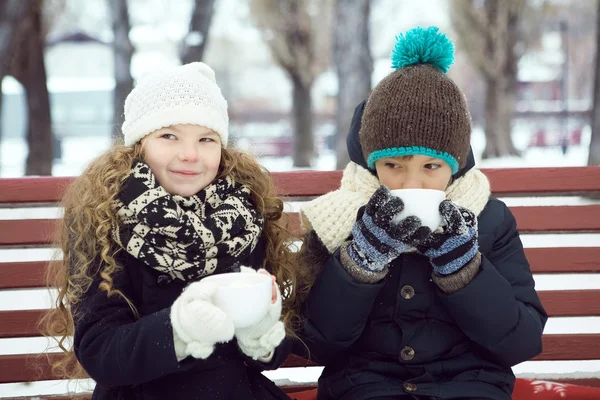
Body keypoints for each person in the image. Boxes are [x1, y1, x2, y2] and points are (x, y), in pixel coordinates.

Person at [296, 26, 547, 400]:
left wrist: (464, 270)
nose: (411, 183)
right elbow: (314, 343)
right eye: (394, 165)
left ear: (456, 164)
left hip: (470, 386)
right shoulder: (339, 219)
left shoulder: (490, 220)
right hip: (364, 386)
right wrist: (360, 262)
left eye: (432, 166)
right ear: (371, 164)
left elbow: (521, 342)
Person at [41, 62, 299, 400]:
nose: (190, 154)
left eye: (206, 139)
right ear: (139, 144)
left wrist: (261, 331)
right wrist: (179, 330)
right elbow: (99, 351)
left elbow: (273, 354)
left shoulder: (241, 215)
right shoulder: (104, 216)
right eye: (169, 136)